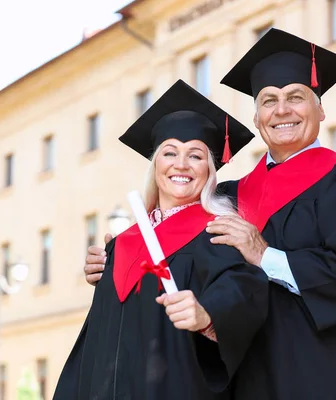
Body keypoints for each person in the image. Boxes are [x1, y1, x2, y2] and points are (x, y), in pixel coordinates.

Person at [84, 29, 336, 400]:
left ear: (320, 109)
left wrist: (265, 256)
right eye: (268, 100)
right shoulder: (227, 196)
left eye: (296, 97)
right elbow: (175, 257)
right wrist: (120, 257)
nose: (282, 110)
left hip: (316, 374)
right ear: (258, 116)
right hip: (236, 379)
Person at [53, 79, 269, 400]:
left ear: (209, 170)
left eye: (195, 156)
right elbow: (97, 340)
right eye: (170, 153)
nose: (181, 164)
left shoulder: (217, 233)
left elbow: (242, 289)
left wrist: (207, 314)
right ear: (156, 166)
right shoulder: (121, 244)